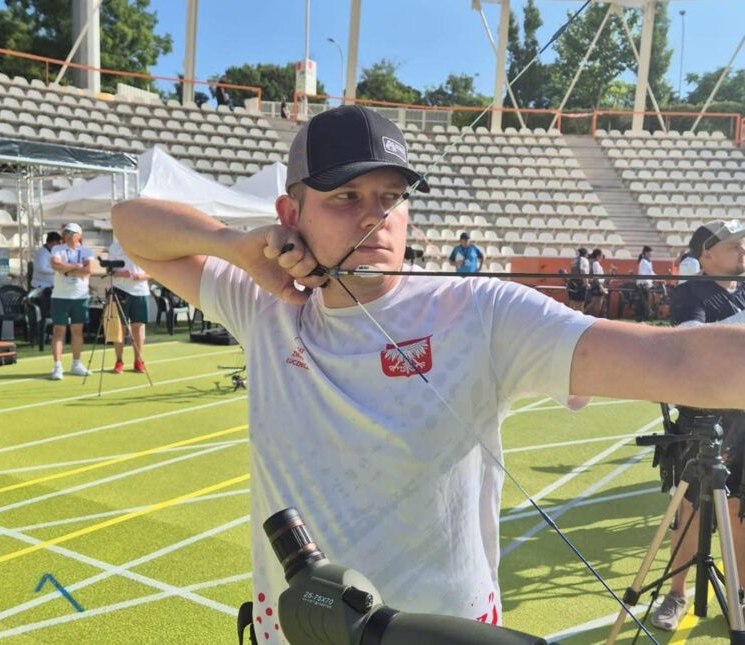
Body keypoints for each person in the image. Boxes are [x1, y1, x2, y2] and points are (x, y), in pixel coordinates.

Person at [111, 105, 745, 642]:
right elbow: (131, 225)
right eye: (345, 197)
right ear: (291, 212)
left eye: (391, 197)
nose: (374, 216)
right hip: (298, 625)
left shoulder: (480, 311)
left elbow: (678, 360)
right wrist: (235, 247)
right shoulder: (264, 301)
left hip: (440, 630)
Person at [651, 220, 745, 632]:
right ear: (705, 257)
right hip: (701, 420)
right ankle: (677, 594)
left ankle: (740, 594)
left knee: (739, 513)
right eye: (733, 247)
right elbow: (690, 339)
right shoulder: (692, 291)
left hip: (741, 419)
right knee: (689, 513)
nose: (742, 252)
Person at [49, 223, 93, 380]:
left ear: (79, 235)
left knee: (77, 330)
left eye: (70, 233)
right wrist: (75, 266)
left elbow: (88, 270)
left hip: (80, 296)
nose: (67, 235)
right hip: (60, 296)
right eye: (65, 232)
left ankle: (76, 363)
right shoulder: (57, 249)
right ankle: (57, 366)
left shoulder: (86, 251)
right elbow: (56, 265)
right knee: (58, 331)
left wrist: (66, 269)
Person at [108, 238, 151, 374]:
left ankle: (138, 361)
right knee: (120, 328)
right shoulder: (114, 247)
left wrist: (142, 277)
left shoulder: (146, 246)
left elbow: (153, 271)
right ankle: (119, 361)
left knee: (138, 327)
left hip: (140, 291)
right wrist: (121, 273)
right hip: (121, 290)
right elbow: (109, 271)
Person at [30, 231, 63, 322]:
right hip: (41, 288)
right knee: (44, 313)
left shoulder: (52, 252)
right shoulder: (42, 253)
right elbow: (42, 268)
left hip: (50, 287)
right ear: (51, 243)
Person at [635, 245, 655, 321]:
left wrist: (658, 279)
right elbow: (642, 274)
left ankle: (644, 318)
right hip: (642, 285)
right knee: (643, 303)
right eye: (650, 253)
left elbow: (651, 273)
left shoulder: (648, 262)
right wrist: (647, 282)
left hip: (646, 285)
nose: (651, 255)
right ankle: (641, 318)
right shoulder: (643, 262)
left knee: (645, 302)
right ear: (646, 253)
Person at [566, 247, 589, 312]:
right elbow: (583, 271)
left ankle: (569, 318)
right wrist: (586, 283)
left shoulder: (574, 260)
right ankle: (580, 320)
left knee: (572, 303)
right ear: (585, 254)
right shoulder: (584, 260)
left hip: (573, 283)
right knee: (580, 304)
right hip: (580, 283)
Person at [586, 248, 607, 317]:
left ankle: (591, 316)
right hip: (597, 285)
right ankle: (591, 316)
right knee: (596, 304)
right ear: (598, 256)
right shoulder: (596, 263)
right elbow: (596, 276)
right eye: (601, 255)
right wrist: (601, 287)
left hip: (597, 285)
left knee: (596, 303)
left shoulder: (595, 263)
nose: (602, 257)